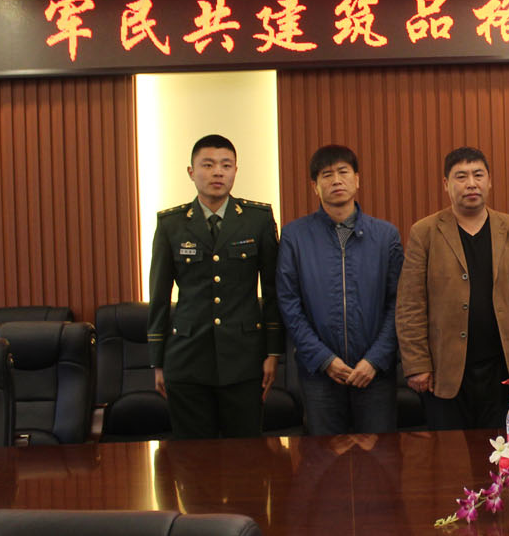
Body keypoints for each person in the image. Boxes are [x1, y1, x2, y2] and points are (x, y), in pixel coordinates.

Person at [147, 134, 282, 439]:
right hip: (186, 358)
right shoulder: (171, 224)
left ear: (236, 170)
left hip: (244, 359)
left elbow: (273, 292)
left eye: (225, 165)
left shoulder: (258, 219)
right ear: (191, 172)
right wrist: (157, 361)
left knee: (245, 454)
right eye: (208, 165)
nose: (217, 172)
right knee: (192, 458)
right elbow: (159, 296)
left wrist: (273, 352)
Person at [397, 147, 509, 429]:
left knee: (504, 450)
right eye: (461, 176)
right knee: (448, 452)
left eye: (478, 175)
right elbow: (410, 305)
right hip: (445, 370)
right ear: (446, 184)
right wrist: (416, 365)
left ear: (490, 180)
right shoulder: (425, 232)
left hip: (503, 369)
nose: (471, 183)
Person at [277, 144, 404, 434]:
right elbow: (289, 305)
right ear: (315, 186)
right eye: (327, 174)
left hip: (375, 374)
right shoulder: (295, 236)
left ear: (357, 180)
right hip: (319, 374)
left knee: (379, 456)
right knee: (324, 457)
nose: (336, 180)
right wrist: (324, 359)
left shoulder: (386, 235)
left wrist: (374, 359)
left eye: (343, 172)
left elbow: (399, 304)